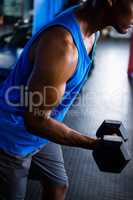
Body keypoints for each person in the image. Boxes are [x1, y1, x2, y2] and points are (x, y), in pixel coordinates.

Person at [0, 0, 133, 199]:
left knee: (57, 186)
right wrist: (94, 144)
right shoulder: (62, 47)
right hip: (13, 138)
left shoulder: (92, 29)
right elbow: (35, 121)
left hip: (41, 129)